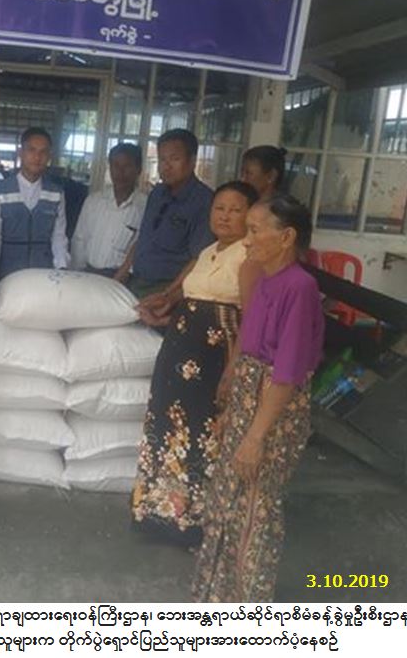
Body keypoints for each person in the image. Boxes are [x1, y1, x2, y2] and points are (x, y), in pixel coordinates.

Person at [192, 194, 324, 602]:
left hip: (271, 412)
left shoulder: (300, 287)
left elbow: (285, 375)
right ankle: (217, 597)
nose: (246, 240)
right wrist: (232, 405)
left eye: (254, 230)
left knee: (256, 508)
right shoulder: (264, 279)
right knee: (226, 502)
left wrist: (254, 437)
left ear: (286, 237)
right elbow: (248, 348)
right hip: (247, 402)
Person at [131, 181, 261, 547]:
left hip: (214, 358)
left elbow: (251, 318)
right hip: (178, 352)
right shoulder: (207, 252)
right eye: (219, 208)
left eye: (235, 210)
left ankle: (195, 523)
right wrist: (162, 306)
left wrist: (234, 369)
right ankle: (158, 513)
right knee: (167, 429)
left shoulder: (249, 258)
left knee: (202, 434)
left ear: (250, 216)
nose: (225, 216)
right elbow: (185, 297)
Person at [115, 129, 214, 299]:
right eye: (162, 159)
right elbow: (144, 238)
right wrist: (120, 276)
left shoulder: (204, 201)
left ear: (192, 161)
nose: (166, 166)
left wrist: (168, 296)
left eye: (174, 159)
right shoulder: (157, 193)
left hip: (168, 289)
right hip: (136, 281)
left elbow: (198, 259)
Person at [0, 127, 69, 280]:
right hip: (8, 273)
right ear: (20, 152)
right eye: (31, 150)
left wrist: (61, 269)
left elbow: (58, 236)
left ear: (49, 157)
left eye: (43, 152)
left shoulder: (56, 193)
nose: (37, 157)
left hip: (43, 273)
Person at [71, 143, 148, 277]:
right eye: (115, 166)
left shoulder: (145, 207)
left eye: (127, 166)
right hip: (88, 273)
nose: (120, 172)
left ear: (138, 170)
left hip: (122, 278)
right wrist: (76, 273)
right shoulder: (94, 201)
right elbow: (79, 240)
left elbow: (141, 249)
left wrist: (122, 277)